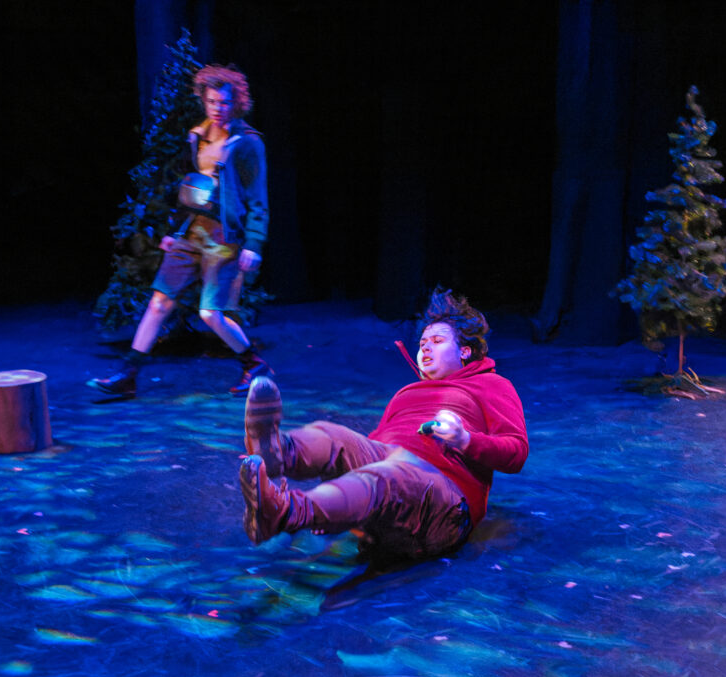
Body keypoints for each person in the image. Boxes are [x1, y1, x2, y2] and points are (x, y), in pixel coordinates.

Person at [239, 289, 528, 558]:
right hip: (390, 489)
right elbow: (369, 450)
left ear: (465, 351)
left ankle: (285, 513)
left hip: (444, 506)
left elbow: (515, 453)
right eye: (423, 343)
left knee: (387, 476)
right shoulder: (406, 393)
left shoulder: (490, 384)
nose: (426, 348)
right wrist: (335, 511)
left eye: (437, 341)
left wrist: (465, 439)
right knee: (336, 437)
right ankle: (276, 452)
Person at [88, 64, 271, 399]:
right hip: (192, 232)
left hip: (224, 239)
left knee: (210, 313)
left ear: (236, 102)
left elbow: (258, 198)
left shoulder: (247, 143)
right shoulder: (197, 136)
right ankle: (128, 374)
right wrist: (175, 229)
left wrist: (254, 243)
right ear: (203, 100)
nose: (218, 108)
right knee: (160, 301)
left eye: (224, 102)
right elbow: (191, 190)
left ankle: (253, 364)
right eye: (212, 101)